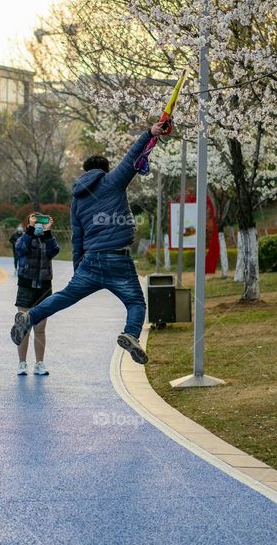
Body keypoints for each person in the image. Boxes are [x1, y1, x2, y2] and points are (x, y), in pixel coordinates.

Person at [10, 121, 170, 364]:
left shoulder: (77, 200)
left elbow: (78, 237)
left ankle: (29, 317)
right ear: (105, 170)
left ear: (85, 172)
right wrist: (150, 133)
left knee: (64, 297)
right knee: (135, 302)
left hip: (91, 261)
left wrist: (79, 270)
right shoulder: (112, 181)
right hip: (118, 259)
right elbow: (132, 157)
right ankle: (131, 334)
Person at [14, 213, 60, 376]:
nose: (39, 224)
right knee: (23, 327)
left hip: (44, 288)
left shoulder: (47, 239)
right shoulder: (25, 237)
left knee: (40, 328)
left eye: (41, 221)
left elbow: (54, 251)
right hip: (26, 286)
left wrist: (48, 231)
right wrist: (30, 230)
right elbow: (20, 249)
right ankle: (22, 363)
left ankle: (39, 363)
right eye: (36, 221)